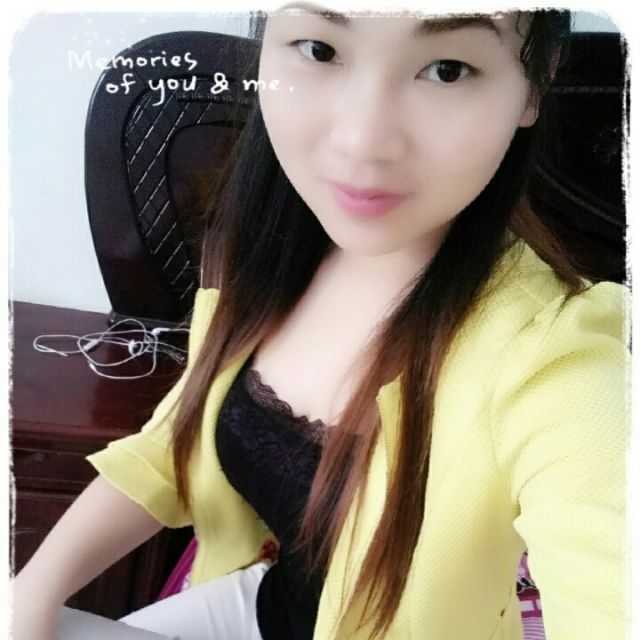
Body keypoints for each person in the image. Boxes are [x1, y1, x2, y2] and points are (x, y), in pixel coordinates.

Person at [11, 5, 630, 640]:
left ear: (535, 82)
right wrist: (29, 594)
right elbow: (175, 442)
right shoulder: (264, 247)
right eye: (320, 50)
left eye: (448, 69)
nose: (360, 142)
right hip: (259, 600)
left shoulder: (558, 359)